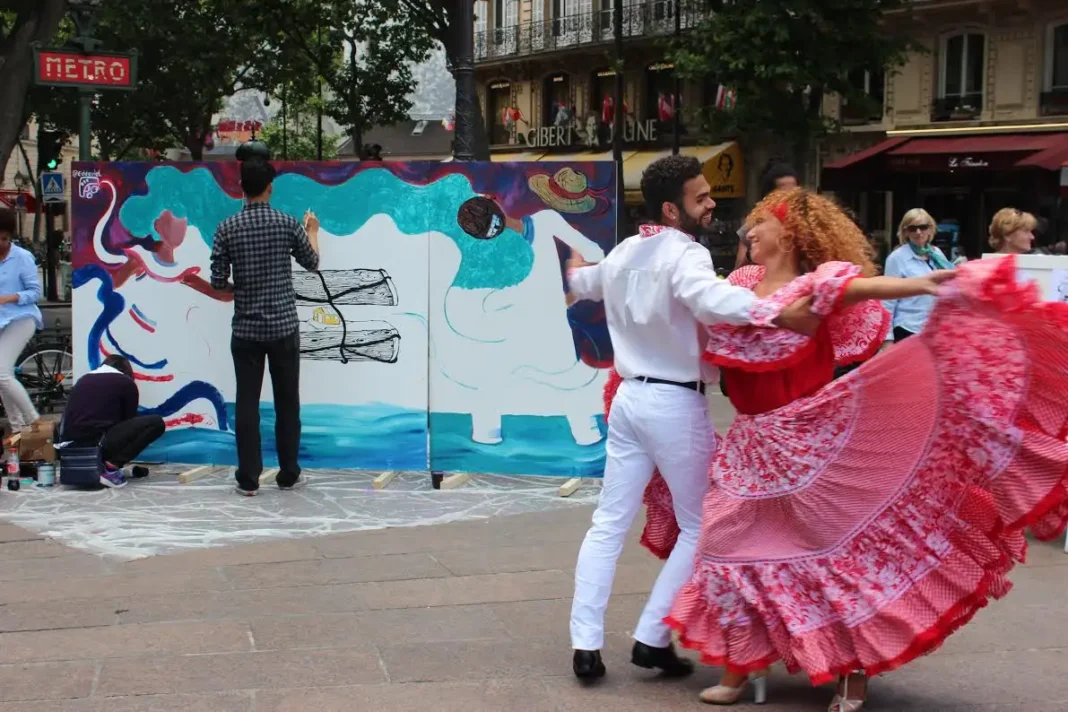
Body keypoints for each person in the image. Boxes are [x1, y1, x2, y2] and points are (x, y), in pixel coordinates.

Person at [621, 188, 1068, 710]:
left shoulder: (819, 282)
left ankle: (851, 673)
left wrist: (923, 282)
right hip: (750, 444)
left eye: (759, 224)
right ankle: (740, 666)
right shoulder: (738, 284)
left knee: (835, 550)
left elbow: (859, 287)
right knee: (725, 546)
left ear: (786, 233)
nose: (748, 233)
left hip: (810, 438)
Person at [563, 155, 819, 682]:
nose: (711, 203)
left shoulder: (624, 253)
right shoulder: (687, 254)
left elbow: (580, 282)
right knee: (698, 525)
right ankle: (652, 637)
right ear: (670, 209)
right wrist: (776, 311)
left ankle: (585, 645)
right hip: (675, 403)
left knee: (608, 522)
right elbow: (711, 298)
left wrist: (547, 244)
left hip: (629, 399)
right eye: (700, 197)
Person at [210, 159, 321, 496]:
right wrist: (313, 231)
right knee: (288, 402)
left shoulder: (226, 228)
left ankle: (248, 478)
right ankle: (288, 473)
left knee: (247, 403)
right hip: (284, 328)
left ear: (241, 188)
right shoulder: (287, 224)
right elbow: (312, 263)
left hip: (245, 331)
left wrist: (242, 288)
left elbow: (218, 283)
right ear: (270, 187)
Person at [60, 355, 165, 488]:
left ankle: (105, 464)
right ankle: (112, 467)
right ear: (126, 370)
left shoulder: (83, 380)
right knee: (156, 423)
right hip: (98, 445)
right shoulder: (125, 383)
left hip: (70, 449)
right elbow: (129, 420)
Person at [0, 207, 43, 442]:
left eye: (5, 238)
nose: (1, 243)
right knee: (1, 377)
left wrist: (11, 297)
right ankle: (17, 428)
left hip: (22, 317)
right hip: (1, 320)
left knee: (2, 372)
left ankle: (33, 419)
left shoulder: (22, 257)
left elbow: (35, 292)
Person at [882, 208, 952, 343]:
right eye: (912, 228)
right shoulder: (896, 258)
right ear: (905, 232)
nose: (918, 232)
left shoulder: (936, 254)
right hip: (908, 329)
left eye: (923, 227)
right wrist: (887, 339)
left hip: (936, 329)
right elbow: (887, 301)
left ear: (931, 229)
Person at [734, 162, 799, 271]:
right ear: (769, 195)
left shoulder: (806, 223)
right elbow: (739, 268)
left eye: (794, 192)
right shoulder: (754, 223)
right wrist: (755, 251)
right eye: (783, 193)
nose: (789, 197)